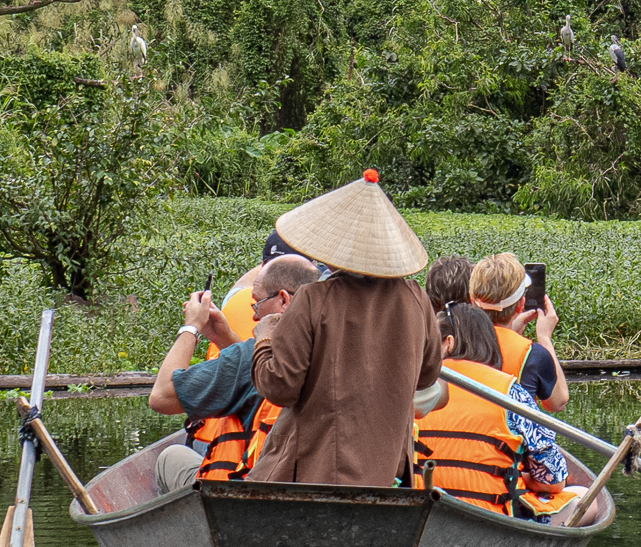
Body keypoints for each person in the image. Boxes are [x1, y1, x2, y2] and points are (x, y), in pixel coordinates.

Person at [244, 170, 440, 488]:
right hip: (387, 473)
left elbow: (279, 386)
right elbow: (427, 375)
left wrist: (265, 337)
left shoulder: (313, 299)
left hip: (316, 474)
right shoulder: (416, 298)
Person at [150, 253, 320, 486]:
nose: (253, 314)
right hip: (310, 484)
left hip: (242, 493)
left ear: (283, 301)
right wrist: (223, 337)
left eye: (257, 303)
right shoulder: (333, 348)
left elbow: (161, 397)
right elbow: (253, 377)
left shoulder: (251, 355)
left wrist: (191, 327)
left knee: (170, 457)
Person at [414, 302, 584, 519]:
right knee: (582, 497)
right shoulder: (512, 393)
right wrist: (521, 477)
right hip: (490, 517)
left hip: (423, 511)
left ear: (448, 343)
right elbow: (554, 480)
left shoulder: (416, 388)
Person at [468, 251, 570, 412]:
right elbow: (557, 402)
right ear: (520, 305)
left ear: (471, 300)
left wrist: (511, 332)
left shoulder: (452, 342)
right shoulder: (533, 355)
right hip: (505, 437)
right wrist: (544, 338)